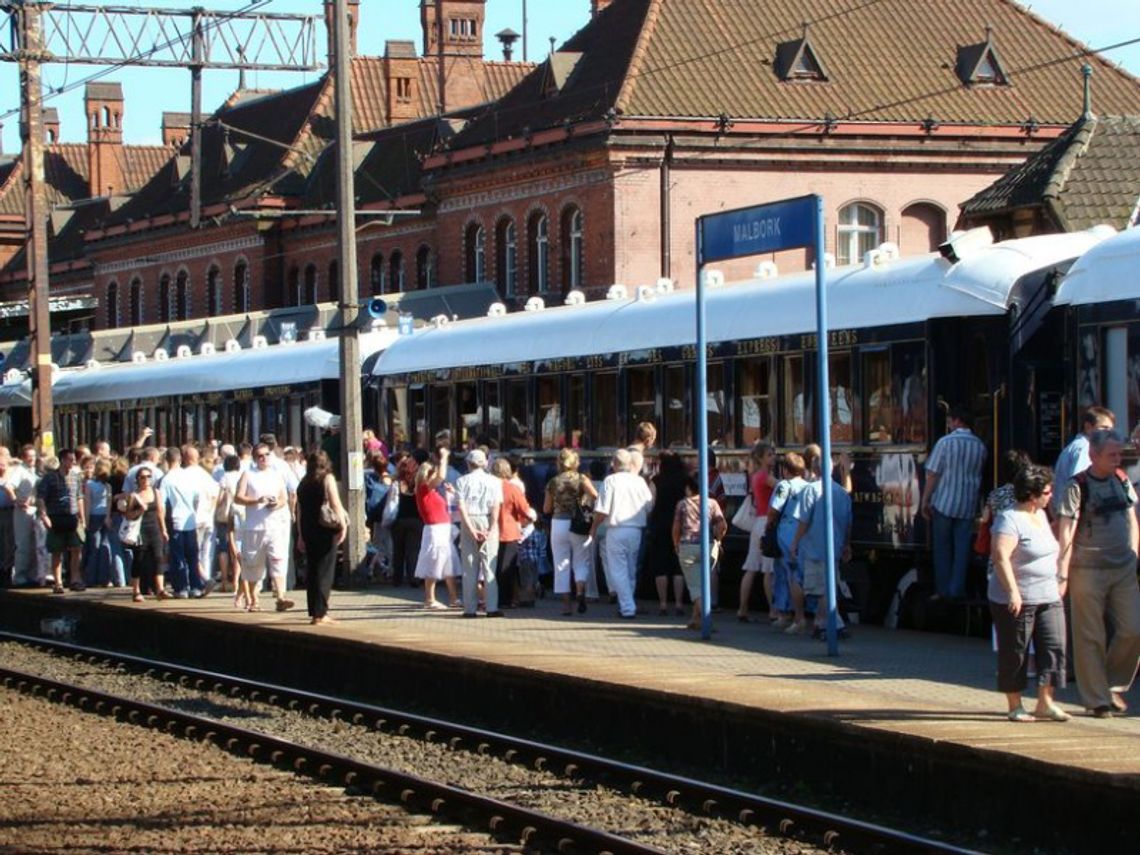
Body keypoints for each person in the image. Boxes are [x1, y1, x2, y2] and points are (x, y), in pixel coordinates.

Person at [1056, 429, 1140, 718]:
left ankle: (1113, 684)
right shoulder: (1077, 486)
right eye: (1112, 455)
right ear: (1093, 456)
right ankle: (1097, 700)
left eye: (1120, 454)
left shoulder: (1121, 479)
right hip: (1087, 569)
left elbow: (1131, 517)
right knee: (1090, 635)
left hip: (1123, 567)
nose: (1118, 460)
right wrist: (1062, 574)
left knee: (1133, 629)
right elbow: (1066, 531)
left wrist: (1134, 553)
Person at [989, 465, 1070, 722]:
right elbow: (1000, 556)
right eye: (1047, 491)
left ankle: (1045, 702)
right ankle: (1015, 704)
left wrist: (1060, 578)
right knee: (1016, 650)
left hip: (1048, 594)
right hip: (1018, 597)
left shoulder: (1042, 516)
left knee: (1054, 645)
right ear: (1032, 495)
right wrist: (1013, 592)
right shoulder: (1010, 519)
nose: (1050, 495)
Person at [920, 406, 987, 600]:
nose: (948, 425)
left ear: (957, 421)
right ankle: (957, 589)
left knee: (942, 548)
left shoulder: (945, 442)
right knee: (962, 550)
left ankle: (943, 590)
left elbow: (933, 473)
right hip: (967, 505)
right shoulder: (980, 446)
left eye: (950, 421)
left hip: (944, 503)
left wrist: (925, 500)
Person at [789, 453, 854, 639]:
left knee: (820, 590)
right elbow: (848, 522)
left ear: (815, 469)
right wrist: (847, 544)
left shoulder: (811, 490)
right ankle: (820, 623)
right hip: (835, 546)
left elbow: (803, 520)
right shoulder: (842, 493)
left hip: (815, 548)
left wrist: (794, 543)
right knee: (827, 586)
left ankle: (835, 624)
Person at [591, 448, 653, 619]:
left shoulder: (610, 481)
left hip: (616, 530)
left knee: (617, 570)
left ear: (615, 464)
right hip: (636, 531)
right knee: (630, 570)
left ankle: (627, 607)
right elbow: (649, 505)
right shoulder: (639, 481)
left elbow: (602, 510)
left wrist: (594, 527)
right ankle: (627, 603)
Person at [234, 443, 294, 613]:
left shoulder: (277, 475)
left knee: (278, 560)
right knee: (253, 564)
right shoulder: (248, 474)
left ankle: (281, 597)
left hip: (274, 526)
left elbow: (284, 497)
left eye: (267, 454)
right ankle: (254, 599)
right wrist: (256, 501)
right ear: (254, 458)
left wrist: (276, 504)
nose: (264, 458)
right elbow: (238, 497)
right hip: (254, 527)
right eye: (260, 455)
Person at [543, 448, 597, 616]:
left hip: (558, 523)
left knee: (561, 563)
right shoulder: (582, 478)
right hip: (578, 524)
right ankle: (580, 591)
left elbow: (546, 508)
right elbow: (595, 495)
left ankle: (566, 605)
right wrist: (585, 504)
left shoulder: (553, 482)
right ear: (575, 463)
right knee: (581, 560)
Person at [296, 450, 347, 625]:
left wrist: (300, 535)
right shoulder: (327, 479)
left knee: (313, 570)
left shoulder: (303, 482)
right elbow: (335, 504)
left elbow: (299, 509)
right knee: (325, 571)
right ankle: (321, 613)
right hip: (325, 529)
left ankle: (314, 611)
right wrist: (343, 526)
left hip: (308, 529)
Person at [673, 475, 727, 630]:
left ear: (689, 488)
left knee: (695, 587)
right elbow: (722, 525)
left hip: (688, 546)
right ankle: (695, 619)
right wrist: (718, 540)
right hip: (708, 546)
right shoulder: (712, 503)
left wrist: (676, 543)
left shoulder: (683, 504)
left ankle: (705, 619)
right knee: (703, 584)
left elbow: (676, 528)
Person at [455, 448, 503, 617]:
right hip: (488, 519)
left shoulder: (461, 481)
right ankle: (492, 608)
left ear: (469, 463)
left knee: (469, 567)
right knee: (490, 566)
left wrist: (470, 529)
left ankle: (469, 609)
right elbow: (496, 506)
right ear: (485, 463)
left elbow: (462, 508)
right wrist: (491, 528)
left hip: (470, 519)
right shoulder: (495, 481)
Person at [738, 442, 779, 623]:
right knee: (768, 570)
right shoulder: (765, 477)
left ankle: (742, 608)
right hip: (766, 523)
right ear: (762, 458)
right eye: (770, 455)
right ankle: (773, 610)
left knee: (751, 567)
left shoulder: (755, 476)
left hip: (757, 523)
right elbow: (784, 487)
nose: (774, 458)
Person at [413, 448, 459, 609]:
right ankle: (430, 599)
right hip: (436, 530)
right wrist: (444, 458)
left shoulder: (429, 491)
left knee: (448, 564)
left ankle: (453, 598)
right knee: (434, 563)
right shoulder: (423, 489)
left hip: (442, 529)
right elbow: (441, 475)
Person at [769, 452, 810, 632]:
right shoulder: (809, 486)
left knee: (785, 574)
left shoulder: (783, 485)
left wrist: (768, 526)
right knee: (800, 573)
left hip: (786, 531)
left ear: (785, 469)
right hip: (804, 532)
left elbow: (773, 510)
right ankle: (802, 614)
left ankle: (786, 614)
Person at [645, 452, 687, 616]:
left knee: (661, 566)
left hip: (660, 526)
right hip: (681, 526)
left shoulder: (656, 481)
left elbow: (650, 504)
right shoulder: (685, 481)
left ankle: (663, 605)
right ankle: (678, 604)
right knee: (678, 567)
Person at [36, 451, 84, 594]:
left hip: (73, 517)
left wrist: (83, 518)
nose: (73, 463)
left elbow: (79, 497)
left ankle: (75, 579)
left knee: (76, 548)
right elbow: (41, 498)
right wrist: (44, 515)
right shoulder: (49, 478)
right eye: (70, 460)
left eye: (74, 460)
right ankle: (58, 582)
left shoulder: (76, 477)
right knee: (57, 550)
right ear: (62, 460)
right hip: (56, 517)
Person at [1052, 406, 1115, 516]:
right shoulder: (1084, 448)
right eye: (1104, 428)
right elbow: (1079, 485)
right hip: (1076, 516)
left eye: (1110, 429)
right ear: (1088, 427)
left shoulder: (1075, 446)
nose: (1108, 433)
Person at [158, 446, 202, 598]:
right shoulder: (189, 476)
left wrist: (162, 527)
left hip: (175, 521)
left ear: (166, 460)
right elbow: (198, 498)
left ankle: (181, 588)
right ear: (180, 459)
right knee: (192, 555)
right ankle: (196, 586)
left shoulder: (166, 479)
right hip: (190, 520)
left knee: (178, 556)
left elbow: (161, 505)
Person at [120, 466, 168, 603]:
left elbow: (160, 512)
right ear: (137, 479)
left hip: (155, 528)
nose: (146, 479)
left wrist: (164, 530)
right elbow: (128, 515)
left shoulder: (156, 492)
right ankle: (136, 590)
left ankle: (160, 589)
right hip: (140, 529)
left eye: (148, 476)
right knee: (139, 559)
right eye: (142, 477)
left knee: (159, 557)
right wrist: (140, 510)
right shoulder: (133, 495)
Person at [494, 457, 536, 609]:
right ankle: (504, 600)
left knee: (493, 566)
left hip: (490, 531)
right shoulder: (511, 488)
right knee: (507, 568)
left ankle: (492, 597)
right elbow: (524, 509)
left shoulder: (488, 485)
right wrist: (531, 517)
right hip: (508, 531)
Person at [389, 455, 423, 587]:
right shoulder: (418, 484)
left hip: (399, 520)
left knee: (398, 550)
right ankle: (413, 579)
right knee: (413, 551)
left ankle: (397, 579)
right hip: (416, 520)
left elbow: (391, 502)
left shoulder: (397, 483)